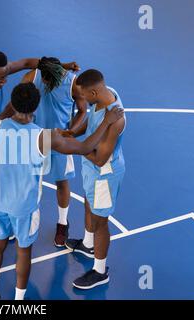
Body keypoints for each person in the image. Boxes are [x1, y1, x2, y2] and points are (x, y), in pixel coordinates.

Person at [0, 80, 124, 299]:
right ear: (36, 107)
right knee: (23, 251)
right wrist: (107, 121)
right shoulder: (44, 137)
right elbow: (85, 147)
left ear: (13, 104)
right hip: (25, 207)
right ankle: (19, 300)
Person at [0, 51, 80, 267]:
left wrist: (61, 66)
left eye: (7, 74)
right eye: (1, 78)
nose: (5, 80)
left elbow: (27, 62)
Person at [6, 57, 88, 247]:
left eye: (45, 79)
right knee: (32, 184)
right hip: (36, 140)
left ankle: (62, 223)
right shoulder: (32, 76)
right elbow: (17, 102)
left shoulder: (72, 84)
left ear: (52, 78)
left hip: (60, 141)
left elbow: (83, 110)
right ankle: (24, 221)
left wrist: (71, 132)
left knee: (62, 182)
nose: (42, 81)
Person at [64, 69, 126, 290]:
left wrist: (74, 147)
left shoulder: (116, 120)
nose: (81, 100)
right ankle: (87, 245)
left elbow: (100, 159)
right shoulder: (104, 94)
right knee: (88, 204)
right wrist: (71, 133)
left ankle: (100, 271)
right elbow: (90, 120)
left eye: (83, 96)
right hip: (92, 172)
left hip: (104, 175)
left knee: (100, 222)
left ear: (93, 92)